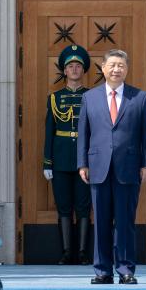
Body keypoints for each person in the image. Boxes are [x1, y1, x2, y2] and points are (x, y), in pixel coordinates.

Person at [76, 49, 146, 285]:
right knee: (100, 221)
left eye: (121, 65)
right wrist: (82, 163)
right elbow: (83, 133)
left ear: (127, 69)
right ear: (103, 68)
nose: (116, 69)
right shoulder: (90, 97)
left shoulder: (140, 97)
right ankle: (102, 270)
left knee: (125, 222)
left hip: (128, 167)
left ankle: (125, 269)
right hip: (98, 167)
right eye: (112, 65)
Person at [43, 44, 91, 265]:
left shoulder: (91, 96)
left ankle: (81, 252)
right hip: (61, 158)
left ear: (83, 70)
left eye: (78, 66)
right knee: (63, 206)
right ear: (64, 70)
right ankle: (66, 251)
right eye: (70, 66)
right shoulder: (55, 98)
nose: (74, 69)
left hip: (85, 160)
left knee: (83, 207)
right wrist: (47, 162)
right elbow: (49, 132)